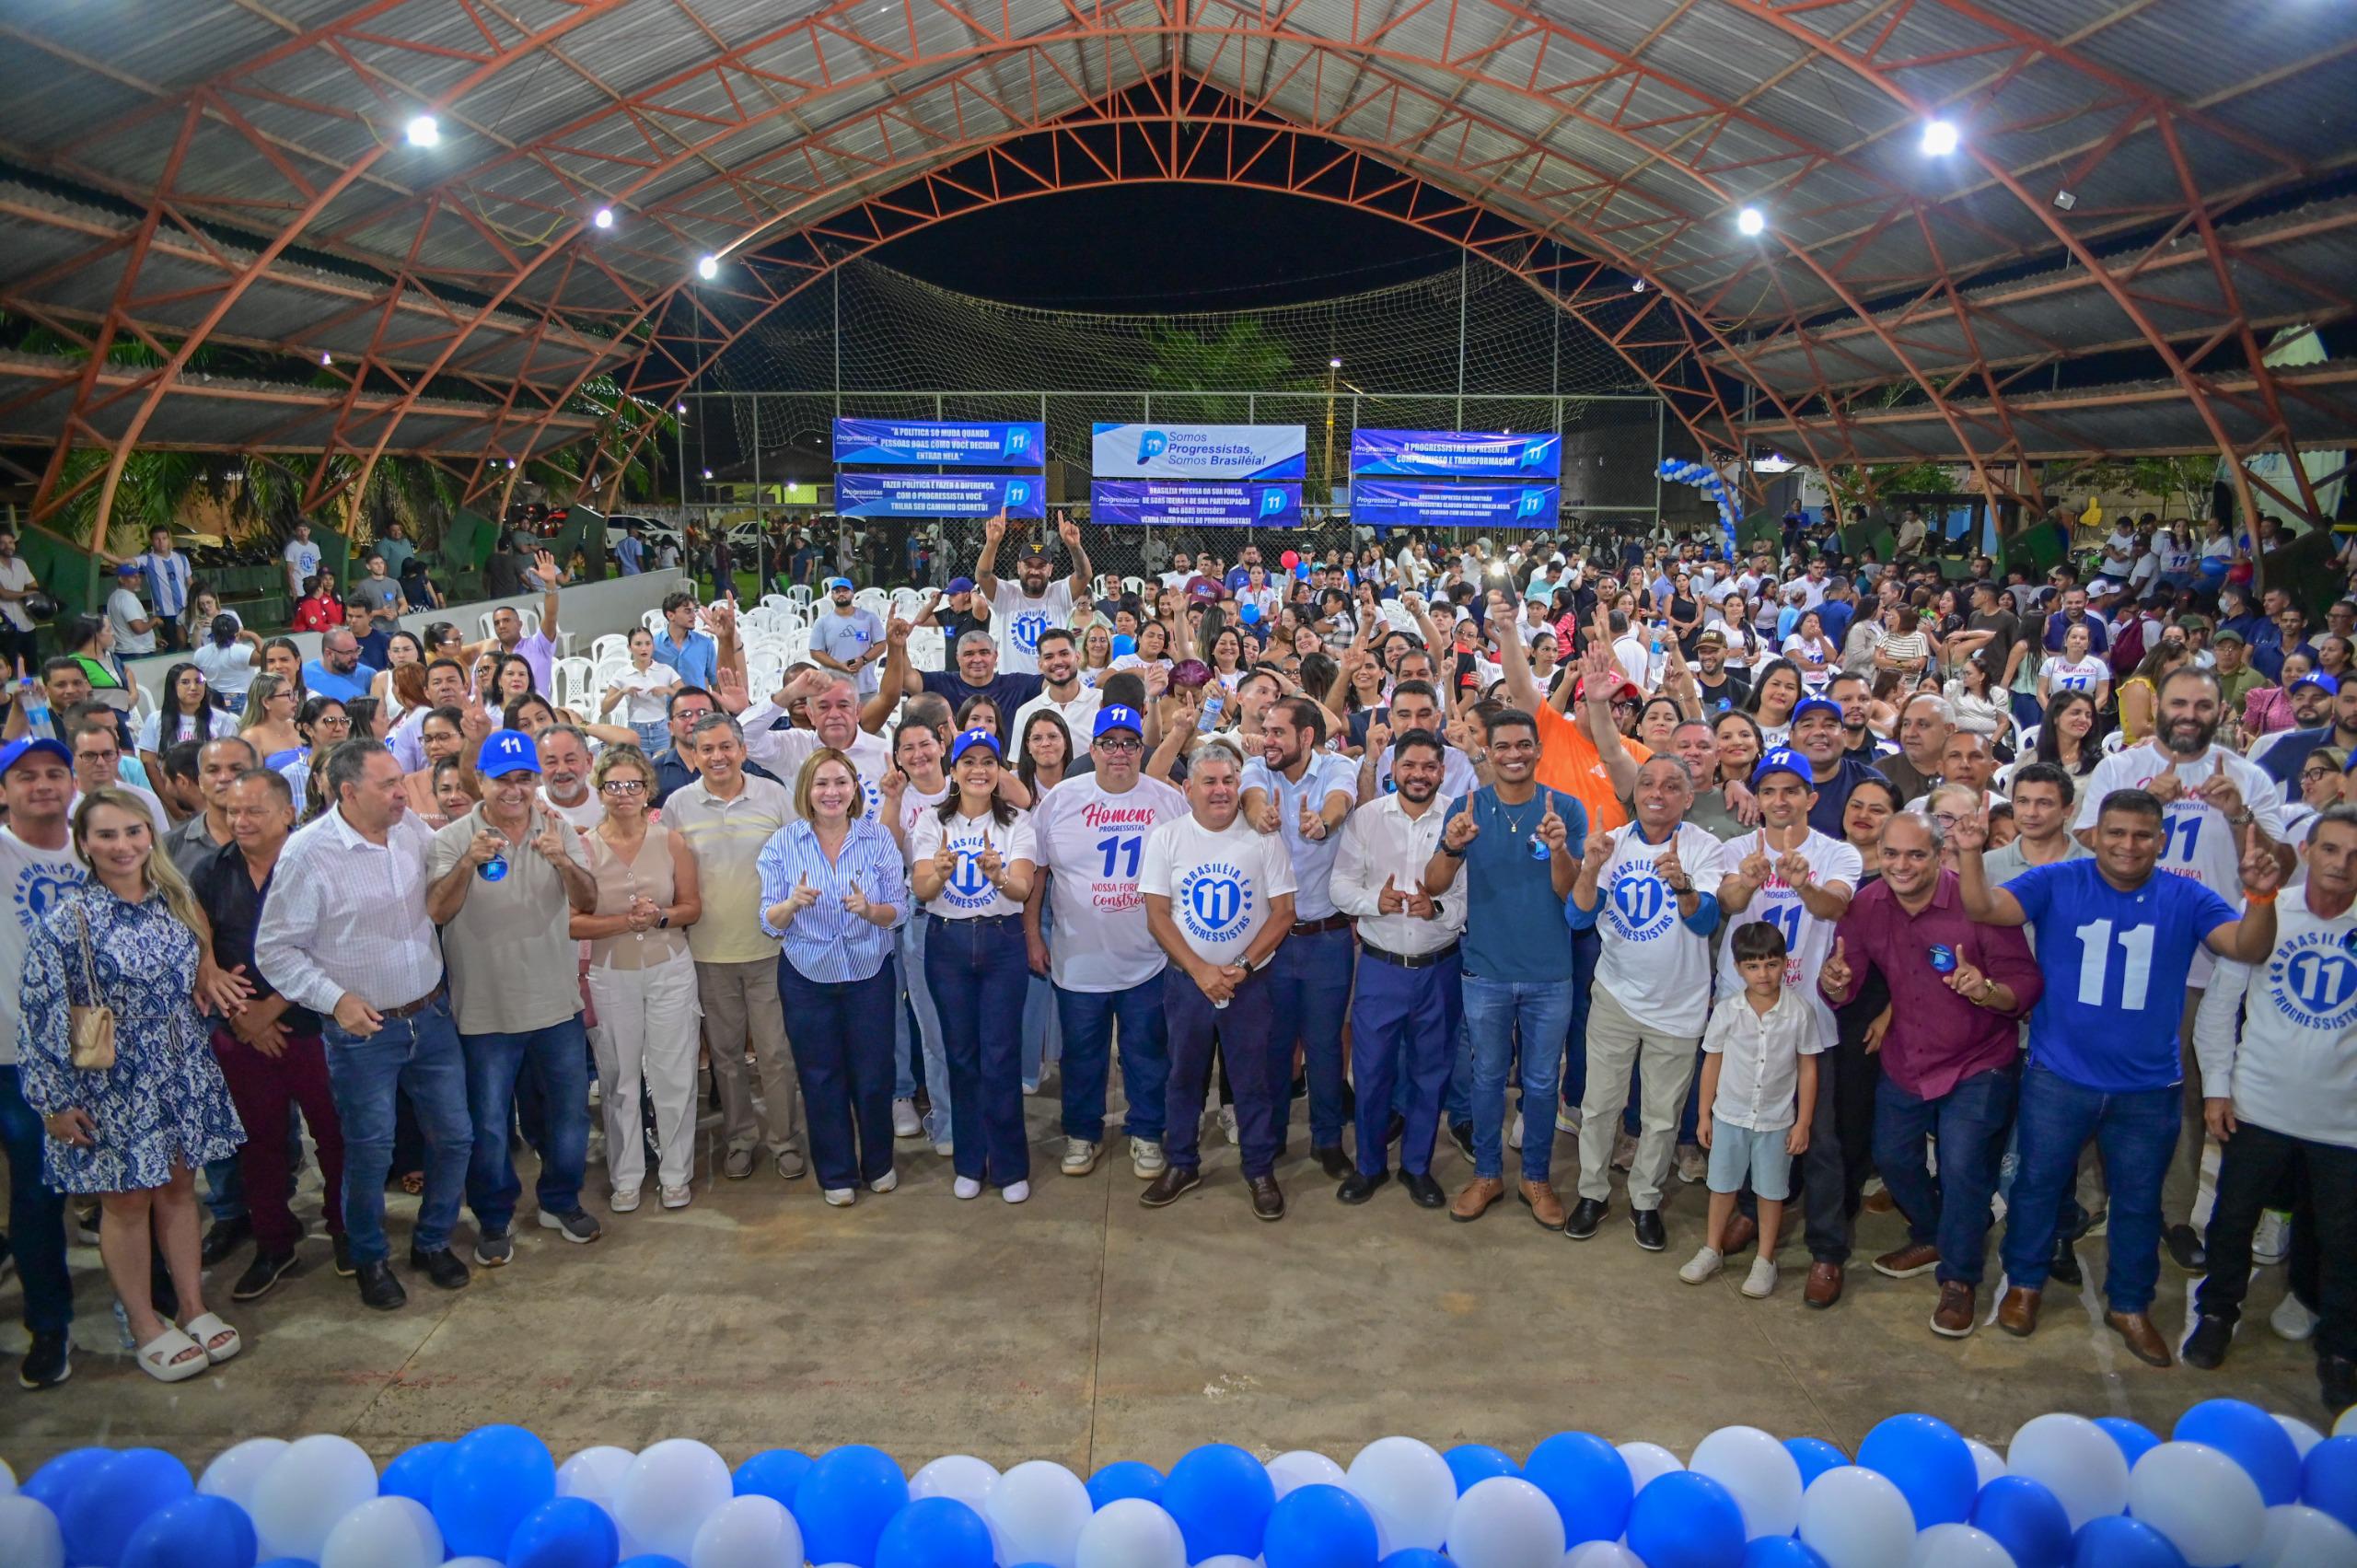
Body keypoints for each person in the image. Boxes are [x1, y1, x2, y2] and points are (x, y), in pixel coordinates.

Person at [1964, 789, 2284, 1366]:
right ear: (2094, 834)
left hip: (2148, 1086)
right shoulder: (2059, 880)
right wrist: (1966, 852)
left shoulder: (2187, 895)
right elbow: (1986, 908)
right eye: (2116, 832)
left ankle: (2130, 1303)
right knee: (2038, 1185)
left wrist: (2261, 895)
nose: (2128, 845)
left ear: (2161, 841)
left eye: (2142, 835)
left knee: (2137, 1202)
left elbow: (2248, 946)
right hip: (2060, 1076)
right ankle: (2024, 1284)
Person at [17, 789, 244, 1381]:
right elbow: (40, 1013)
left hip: (179, 1065)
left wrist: (204, 986)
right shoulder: (67, 922)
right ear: (85, 845)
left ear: (151, 835)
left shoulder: (176, 899)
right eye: (107, 835)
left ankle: (192, 1306)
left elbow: (198, 972)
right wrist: (53, 1102)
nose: (123, 846)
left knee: (178, 1188)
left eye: (133, 832)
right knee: (125, 1201)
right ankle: (144, 1320)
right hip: (112, 1081)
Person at [256, 741, 472, 1308]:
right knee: (370, 1151)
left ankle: (431, 1242)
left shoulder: (410, 833)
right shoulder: (307, 853)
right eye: (387, 785)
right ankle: (370, 1257)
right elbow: (276, 951)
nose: (402, 792)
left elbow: (443, 884)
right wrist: (334, 1000)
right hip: (363, 1034)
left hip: (430, 1013)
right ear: (347, 791)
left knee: (455, 1137)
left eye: (401, 780)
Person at [1816, 811, 2040, 1335]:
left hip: (1977, 1060)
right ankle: (1935, 1231)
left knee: (1964, 1170)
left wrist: (1985, 989)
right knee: (1892, 1158)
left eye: (1916, 854)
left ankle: (1959, 1278)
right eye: (1891, 853)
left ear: (1940, 856)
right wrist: (1835, 982)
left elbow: (2025, 984)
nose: (1901, 865)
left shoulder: (1978, 904)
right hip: (1907, 1057)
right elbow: (1848, 983)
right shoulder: (1868, 904)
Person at [2183, 806, 2357, 1414]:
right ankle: (2218, 1313)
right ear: (2306, 850)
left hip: (2345, 1123)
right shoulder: (2268, 909)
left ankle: (2340, 1349)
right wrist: (2218, 1087)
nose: (2341, 864)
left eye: (2354, 854)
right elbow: (2219, 1007)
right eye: (2330, 849)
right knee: (2231, 1222)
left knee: (2344, 1241)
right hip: (2259, 1105)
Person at [425, 728, 599, 1262]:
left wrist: (565, 862)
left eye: (525, 779)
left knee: (570, 1117)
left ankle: (560, 1200)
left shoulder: (557, 828)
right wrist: (467, 865)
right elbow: (437, 912)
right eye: (503, 780)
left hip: (555, 1005)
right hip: (484, 1012)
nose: (515, 791)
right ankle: (495, 1218)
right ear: (481, 781)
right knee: (490, 1126)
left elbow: (588, 902)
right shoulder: (453, 839)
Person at [189, 768, 350, 1300]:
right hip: (242, 1032)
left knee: (335, 1136)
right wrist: (239, 1014)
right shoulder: (213, 870)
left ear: (287, 812)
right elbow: (201, 940)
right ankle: (274, 1242)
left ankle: (347, 1230)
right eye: (233, 811)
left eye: (254, 810)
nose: (241, 821)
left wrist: (272, 1007)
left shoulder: (318, 864)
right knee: (258, 1143)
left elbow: (332, 946)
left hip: (313, 1027)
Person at [1565, 753, 1723, 1249]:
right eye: (1648, 782)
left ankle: (1645, 1200)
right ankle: (1592, 1192)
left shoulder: (1704, 848)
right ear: (1634, 791)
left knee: (1660, 1116)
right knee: (1599, 1106)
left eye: (1672, 785)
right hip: (1615, 994)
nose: (1657, 792)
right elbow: (1577, 918)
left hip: (1679, 1007)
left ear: (1689, 797)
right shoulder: (1611, 843)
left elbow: (1703, 923)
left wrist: (1682, 885)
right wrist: (1590, 867)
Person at [1139, 738, 1296, 1218]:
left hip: (1249, 984)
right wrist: (1201, 970)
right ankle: (1182, 1162)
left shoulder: (1264, 838)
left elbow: (1284, 912)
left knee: (1252, 1080)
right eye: (1209, 781)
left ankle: (1258, 1168)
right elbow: (1158, 915)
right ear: (1188, 788)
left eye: (1229, 781)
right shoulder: (1167, 838)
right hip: (1188, 983)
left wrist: (1241, 967)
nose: (1221, 790)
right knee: (1183, 1077)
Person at [1029, 704, 1186, 1179]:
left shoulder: (1168, 800)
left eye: (1130, 744)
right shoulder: (1061, 799)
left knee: (1146, 1051)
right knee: (1081, 1054)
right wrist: (1031, 934)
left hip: (1149, 957)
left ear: (1142, 749)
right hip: (1078, 957)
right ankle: (1082, 1133)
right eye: (1109, 743)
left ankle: (1145, 1132)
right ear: (1092, 749)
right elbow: (1037, 873)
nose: (1120, 753)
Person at [759, 749, 907, 1207]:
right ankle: (837, 1173)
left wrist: (870, 910)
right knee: (820, 1076)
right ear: (807, 790)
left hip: (868, 971)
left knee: (874, 1073)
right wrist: (792, 904)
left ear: (854, 788)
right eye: (822, 784)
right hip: (807, 975)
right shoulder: (783, 843)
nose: (832, 792)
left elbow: (898, 912)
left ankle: (879, 1163)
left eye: (841, 782)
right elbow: (769, 920)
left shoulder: (877, 837)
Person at [664, 713, 806, 1181]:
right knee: (725, 1057)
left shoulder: (774, 796)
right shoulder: (679, 806)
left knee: (775, 1054)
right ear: (694, 754)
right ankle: (740, 1138)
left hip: (770, 949)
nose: (717, 757)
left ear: (743, 750)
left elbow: (799, 858)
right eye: (707, 749)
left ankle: (784, 1140)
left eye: (726, 747)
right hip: (708, 953)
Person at [1330, 728, 1463, 1209]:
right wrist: (1375, 902)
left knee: (1432, 1072)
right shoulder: (1367, 819)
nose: (1419, 775)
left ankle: (1417, 1167)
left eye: (1430, 766)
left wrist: (1440, 911)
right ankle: (1369, 1166)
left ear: (1442, 772)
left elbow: (1468, 896)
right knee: (1370, 1071)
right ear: (1393, 768)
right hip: (1381, 968)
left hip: (1438, 969)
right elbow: (1340, 887)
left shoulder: (1458, 818)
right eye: (1410, 765)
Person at [910, 728, 1038, 1202]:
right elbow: (922, 890)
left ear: (1000, 769)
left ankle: (1008, 1165)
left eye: (989, 761)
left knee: (1001, 1054)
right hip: (947, 944)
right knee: (960, 1055)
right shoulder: (930, 822)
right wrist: (939, 873)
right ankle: (969, 1160)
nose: (979, 769)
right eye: (969, 761)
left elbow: (1023, 890)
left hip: (1003, 944)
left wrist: (1000, 876)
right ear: (954, 771)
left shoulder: (1018, 823)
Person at [572, 745, 702, 1212]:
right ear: (600, 790)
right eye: (613, 786)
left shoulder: (670, 840)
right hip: (611, 975)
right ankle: (626, 1174)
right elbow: (572, 921)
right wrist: (622, 924)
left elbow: (691, 907)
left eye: (633, 785)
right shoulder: (582, 846)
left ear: (647, 790)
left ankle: (675, 1172)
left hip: (670, 970)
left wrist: (660, 916)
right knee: (619, 1078)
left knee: (674, 1075)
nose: (624, 794)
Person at [1241, 695, 1359, 1176]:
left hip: (1325, 937)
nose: (1268, 741)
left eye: (1277, 733)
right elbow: (1250, 796)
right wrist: (1257, 816)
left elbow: (1341, 800)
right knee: (1272, 1045)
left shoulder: (1336, 768)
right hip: (1271, 940)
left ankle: (1327, 1141)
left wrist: (1323, 822)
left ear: (1306, 737)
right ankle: (1268, 1138)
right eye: (1266, 731)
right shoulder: (1257, 770)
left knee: (1326, 1046)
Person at [0, 737, 86, 1388]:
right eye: (25, 776)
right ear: (5, 790)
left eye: (55, 772)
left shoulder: (98, 845)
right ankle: (49, 1322)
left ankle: (157, 1292)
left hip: (98, 1046)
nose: (42, 785)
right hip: (14, 1055)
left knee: (137, 1178)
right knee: (36, 1192)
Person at [1678, 922, 1817, 1298]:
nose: (1763, 974)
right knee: (1722, 1186)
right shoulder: (1727, 1011)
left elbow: (1807, 1067)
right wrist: (1704, 1115)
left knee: (1771, 1192)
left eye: (1772, 964)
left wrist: (1803, 1121)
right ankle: (1712, 1248)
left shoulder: (1799, 1012)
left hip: (1776, 1122)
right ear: (1739, 968)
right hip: (1730, 1117)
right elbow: (1712, 1063)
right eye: (1753, 966)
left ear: (1785, 965)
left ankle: (1765, 1259)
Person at [976, 513, 1090, 676]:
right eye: (1028, 565)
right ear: (1018, 567)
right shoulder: (1006, 595)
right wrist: (992, 543)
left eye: (1041, 566)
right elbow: (983, 576)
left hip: (1050, 683)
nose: (1034, 571)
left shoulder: (1059, 593)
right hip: (1013, 686)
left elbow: (1083, 575)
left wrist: (1074, 546)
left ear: (1050, 569)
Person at [302, 628, 378, 705]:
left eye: (357, 650)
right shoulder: (304, 674)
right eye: (348, 653)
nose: (356, 657)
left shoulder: (368, 674)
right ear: (329, 654)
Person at [106, 562, 158, 657]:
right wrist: (155, 621)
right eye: (133, 577)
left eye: (138, 577)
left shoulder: (115, 596)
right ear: (121, 579)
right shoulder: (127, 598)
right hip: (136, 652)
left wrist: (154, 639)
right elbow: (139, 628)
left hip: (127, 650)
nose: (138, 580)